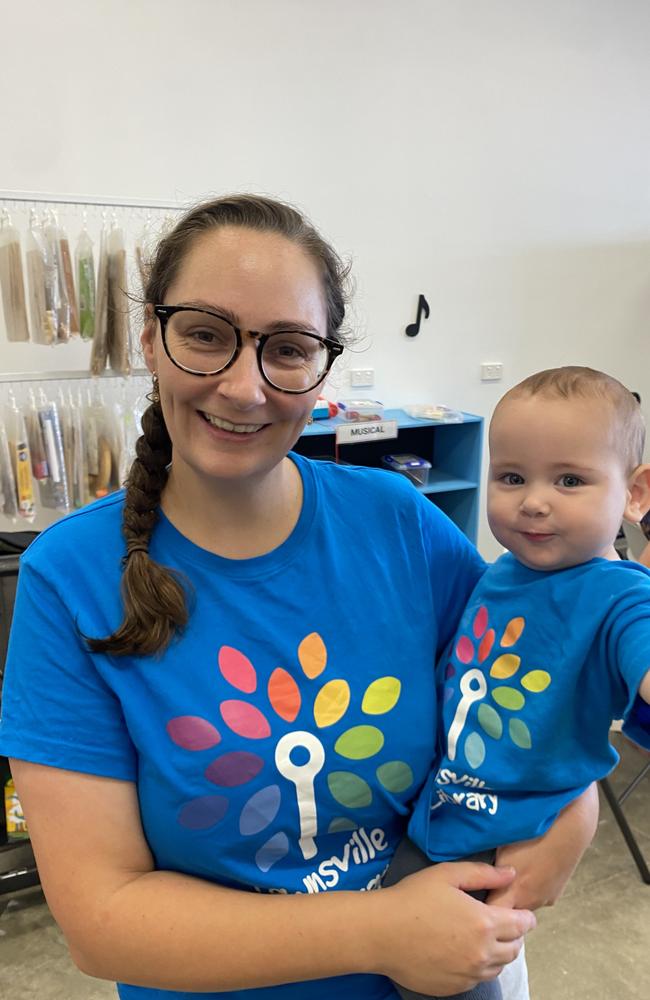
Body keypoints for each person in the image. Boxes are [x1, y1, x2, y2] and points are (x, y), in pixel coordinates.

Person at [0, 198, 596, 1000]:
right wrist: (381, 931)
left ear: (321, 367)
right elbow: (101, 918)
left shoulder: (400, 524)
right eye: (205, 333)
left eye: (287, 348)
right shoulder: (68, 578)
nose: (244, 388)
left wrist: (576, 804)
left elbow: (526, 692)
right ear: (150, 337)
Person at [385, 366, 650, 1000]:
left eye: (569, 480)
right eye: (511, 477)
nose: (534, 500)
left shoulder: (618, 595)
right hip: (442, 816)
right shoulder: (501, 573)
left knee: (450, 978)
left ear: (636, 494)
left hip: (508, 843)